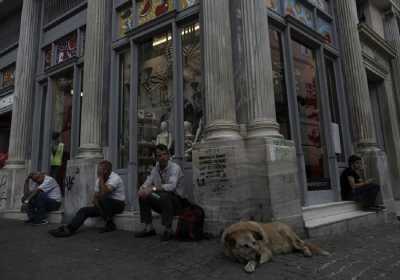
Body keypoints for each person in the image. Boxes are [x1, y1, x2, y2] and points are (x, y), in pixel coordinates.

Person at [49, 160, 125, 237]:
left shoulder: (115, 178)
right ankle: (69, 229)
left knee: (102, 199)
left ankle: (110, 224)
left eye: (99, 170)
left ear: (106, 171)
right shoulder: (99, 179)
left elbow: (103, 193)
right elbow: (95, 198)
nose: (97, 171)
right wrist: (99, 204)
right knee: (84, 210)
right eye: (98, 169)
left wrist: (101, 178)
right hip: (103, 206)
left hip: (118, 205)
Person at [134, 144, 184, 241]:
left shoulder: (175, 168)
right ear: (156, 158)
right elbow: (147, 182)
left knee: (164, 196)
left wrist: (152, 189)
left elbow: (171, 186)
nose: (163, 157)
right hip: (160, 201)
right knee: (144, 196)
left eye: (165, 154)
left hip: (177, 203)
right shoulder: (155, 169)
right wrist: (142, 189)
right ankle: (149, 228)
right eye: (159, 155)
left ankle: (168, 229)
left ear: (169, 155)